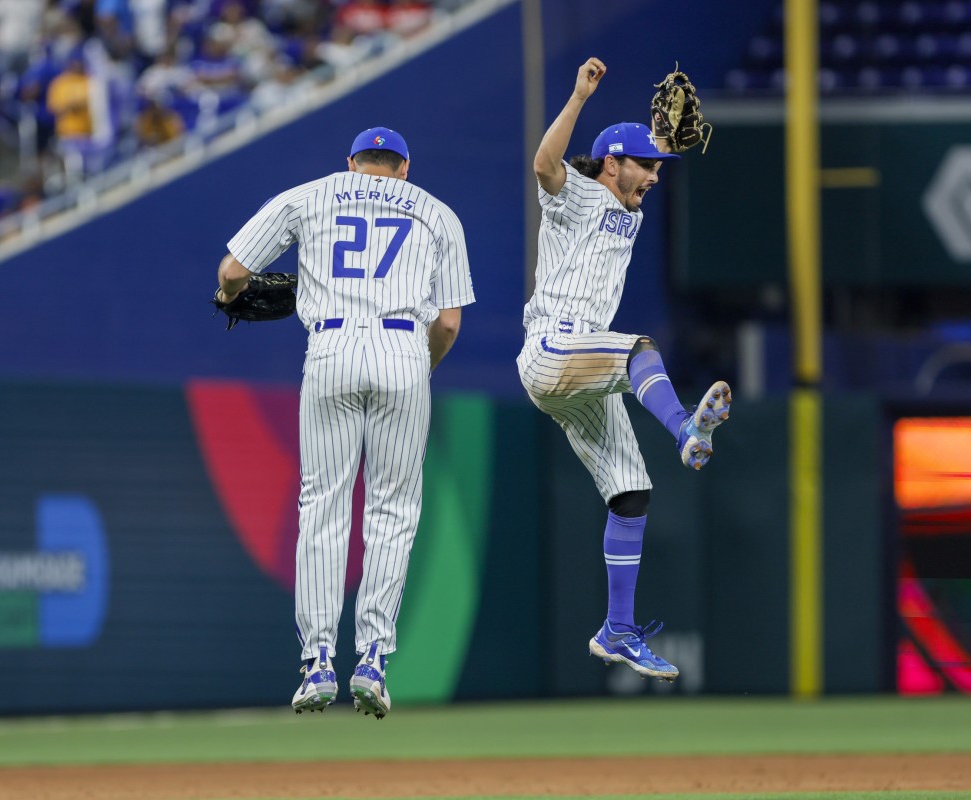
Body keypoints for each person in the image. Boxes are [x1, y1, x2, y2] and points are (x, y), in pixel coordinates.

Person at [215, 126, 474, 718]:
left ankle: (318, 662)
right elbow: (451, 324)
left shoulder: (310, 195)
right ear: (404, 169)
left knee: (322, 506)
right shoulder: (439, 214)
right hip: (406, 351)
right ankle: (375, 659)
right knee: (392, 510)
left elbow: (233, 271)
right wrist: (416, 371)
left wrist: (231, 298)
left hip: (329, 349)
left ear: (351, 163)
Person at [516, 58, 731, 682]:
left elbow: (635, 160)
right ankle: (687, 431)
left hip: (579, 376)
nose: (656, 179)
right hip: (555, 350)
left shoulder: (628, 206)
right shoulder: (575, 194)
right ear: (611, 163)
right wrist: (580, 96)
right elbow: (544, 164)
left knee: (631, 493)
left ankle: (617, 629)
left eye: (657, 169)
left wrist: (656, 141)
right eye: (646, 168)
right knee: (640, 348)